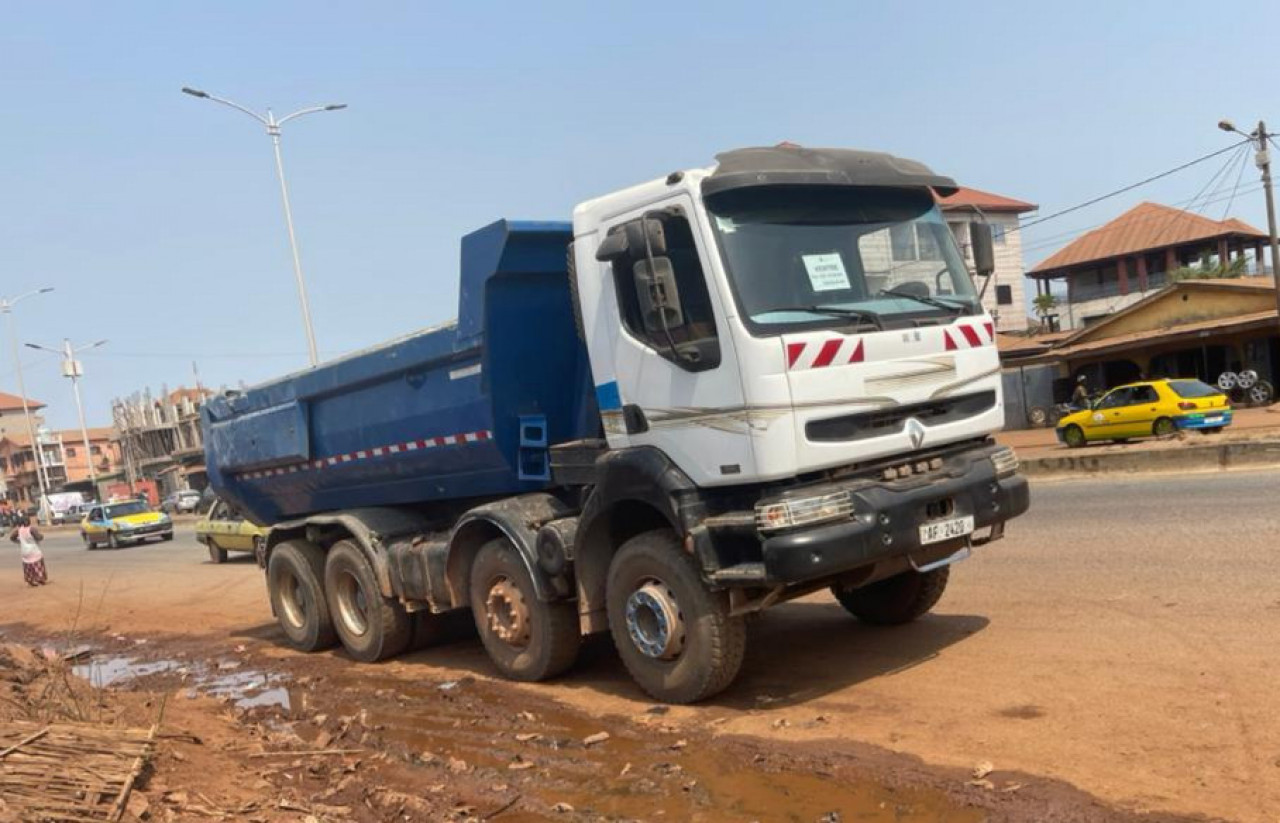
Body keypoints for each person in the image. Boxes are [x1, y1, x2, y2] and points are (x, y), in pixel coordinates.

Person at [9, 516, 48, 587]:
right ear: (28, 521)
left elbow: (12, 538)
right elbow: (39, 537)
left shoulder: (18, 530)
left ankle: (30, 579)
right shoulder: (31, 529)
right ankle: (40, 579)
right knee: (37, 563)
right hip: (34, 550)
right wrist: (41, 536)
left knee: (28, 565)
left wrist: (19, 541)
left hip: (24, 551)